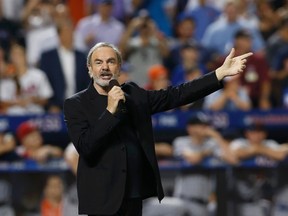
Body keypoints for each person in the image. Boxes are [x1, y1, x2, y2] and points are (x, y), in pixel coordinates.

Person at [63, 42, 252, 215]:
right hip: (102, 200)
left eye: (111, 61)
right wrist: (110, 111)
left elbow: (177, 94)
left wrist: (218, 74)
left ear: (118, 68)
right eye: (98, 62)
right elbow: (86, 147)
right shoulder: (75, 104)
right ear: (90, 69)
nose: (105, 67)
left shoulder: (133, 95)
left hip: (134, 195)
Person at [172, 114, 238, 216]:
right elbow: (194, 159)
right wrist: (207, 152)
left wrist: (217, 136)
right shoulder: (181, 141)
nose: (204, 129)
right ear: (190, 128)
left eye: (205, 126)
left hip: (202, 203)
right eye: (199, 125)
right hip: (182, 200)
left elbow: (232, 160)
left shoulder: (211, 143)